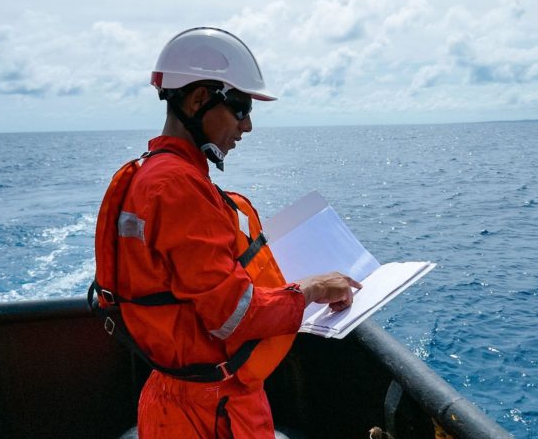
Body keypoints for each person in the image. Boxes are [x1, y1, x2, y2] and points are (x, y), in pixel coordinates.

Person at [110, 27, 361, 438]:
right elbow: (232, 317)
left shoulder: (154, 174)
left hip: (183, 399)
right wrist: (312, 289)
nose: (247, 127)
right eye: (241, 108)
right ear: (197, 99)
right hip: (208, 413)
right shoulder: (177, 188)